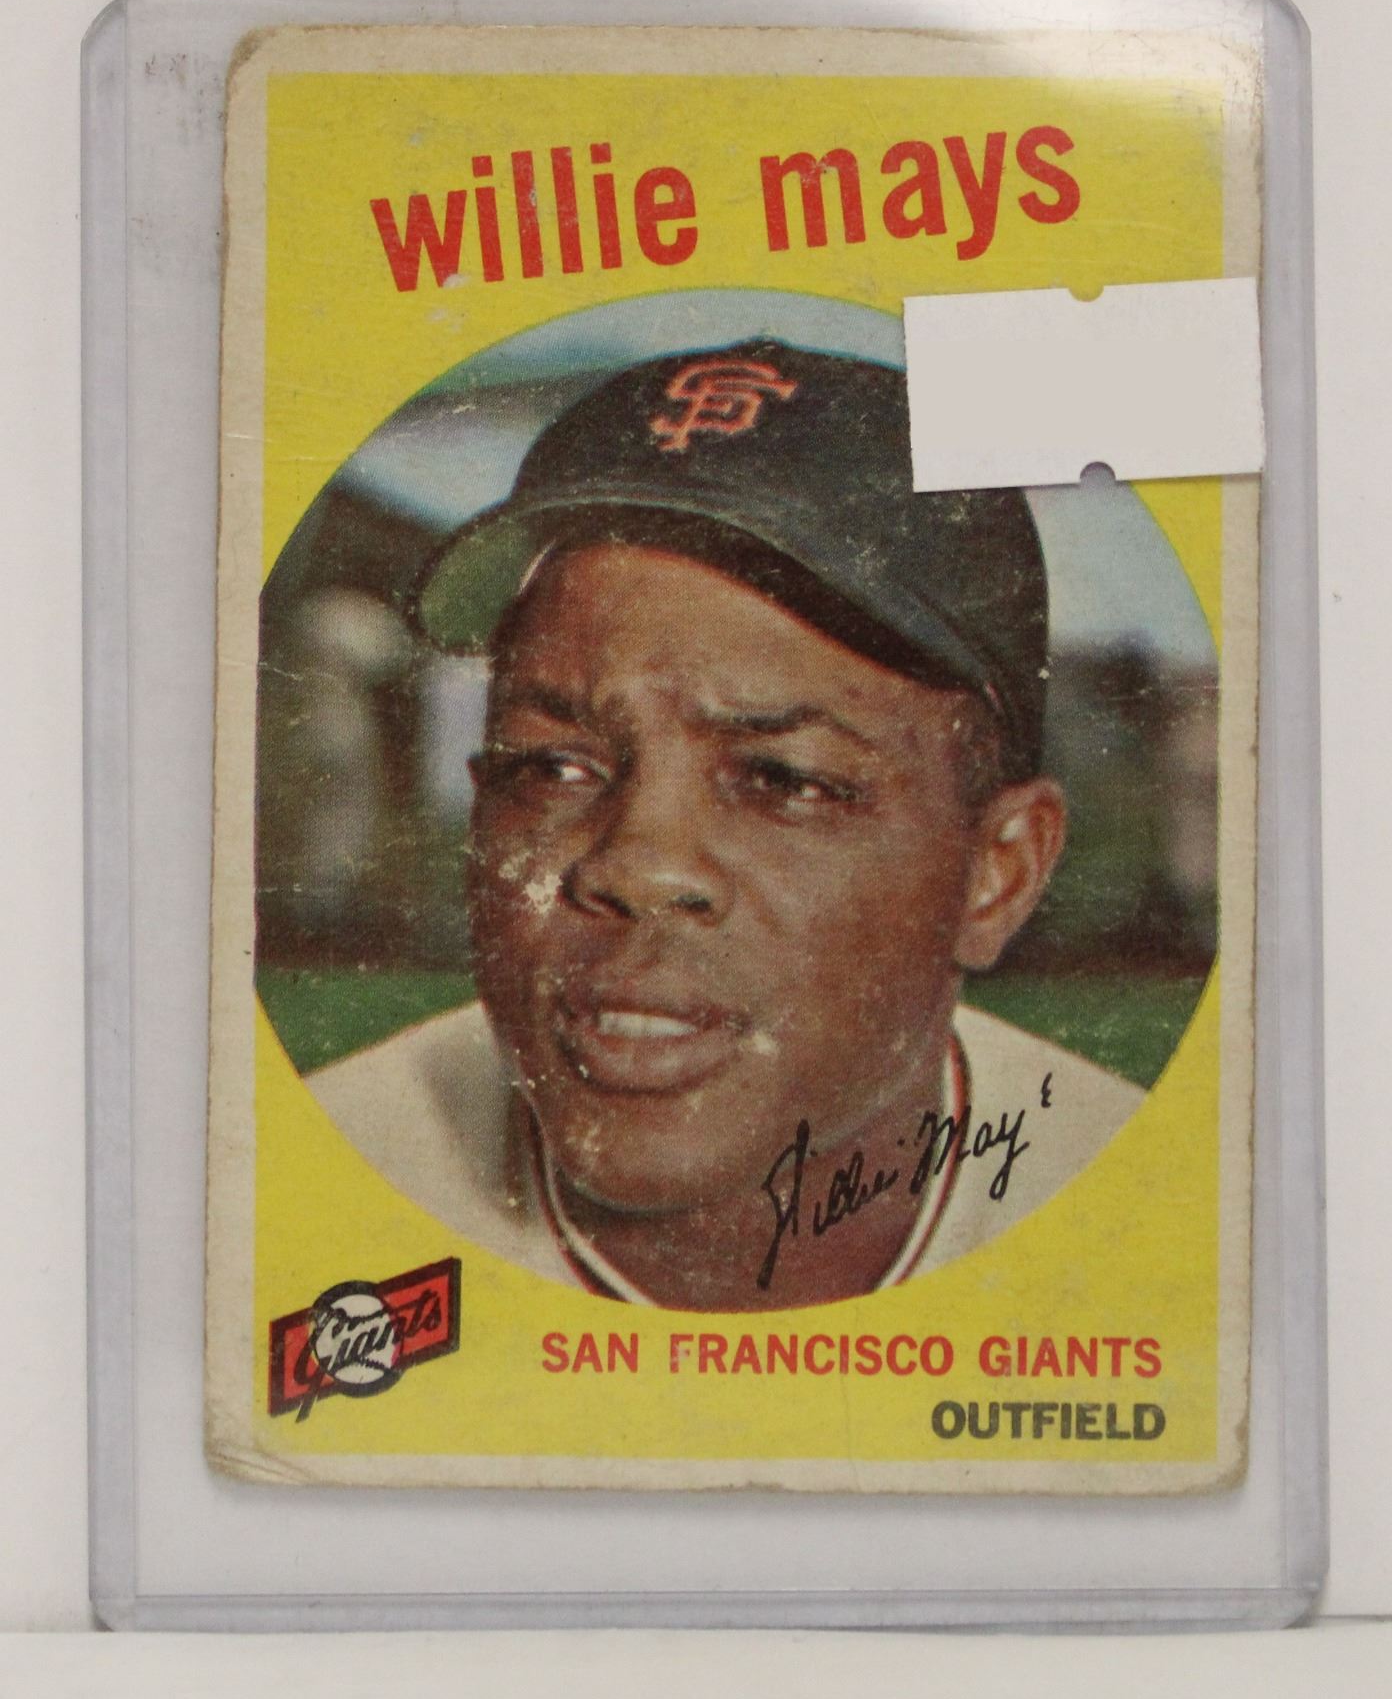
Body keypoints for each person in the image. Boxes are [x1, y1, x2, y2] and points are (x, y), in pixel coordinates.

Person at [309, 340, 1142, 1311]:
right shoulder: (300, 1185)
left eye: (785, 780)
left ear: (998, 875)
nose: (638, 864)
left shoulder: (1167, 1223)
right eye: (553, 766)